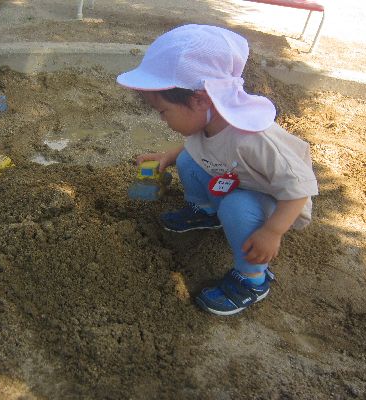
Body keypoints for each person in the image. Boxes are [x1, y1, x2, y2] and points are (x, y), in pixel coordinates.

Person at [117, 24, 318, 316]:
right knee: (188, 160)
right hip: (236, 180)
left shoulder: (256, 138)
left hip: (278, 203)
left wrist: (272, 231)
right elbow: (196, 147)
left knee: (236, 206)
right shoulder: (208, 120)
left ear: (199, 100)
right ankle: (206, 211)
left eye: (163, 112)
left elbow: (299, 187)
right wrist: (166, 157)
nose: (162, 120)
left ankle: (253, 280)